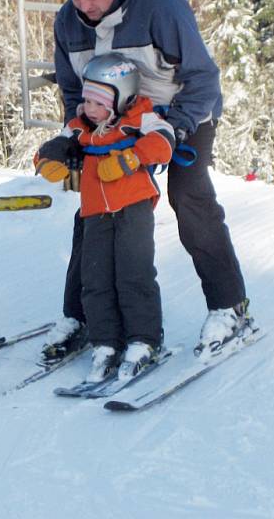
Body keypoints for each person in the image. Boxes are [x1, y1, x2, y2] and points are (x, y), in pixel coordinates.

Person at [41, 0, 255, 362]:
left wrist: (173, 130)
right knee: (95, 207)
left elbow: (203, 79)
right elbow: (71, 89)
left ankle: (228, 307)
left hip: (182, 112)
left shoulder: (161, 7)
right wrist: (75, 132)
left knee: (189, 197)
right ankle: (81, 316)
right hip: (114, 120)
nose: (85, 6)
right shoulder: (68, 22)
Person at [34, 53, 174, 381]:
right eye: (86, 100)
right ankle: (105, 342)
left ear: (121, 99)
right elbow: (53, 147)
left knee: (133, 275)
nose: (89, 108)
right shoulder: (82, 127)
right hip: (95, 210)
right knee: (95, 280)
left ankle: (143, 339)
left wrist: (130, 158)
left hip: (133, 206)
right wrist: (49, 157)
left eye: (98, 102)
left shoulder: (141, 118)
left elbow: (164, 142)